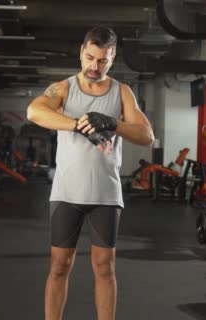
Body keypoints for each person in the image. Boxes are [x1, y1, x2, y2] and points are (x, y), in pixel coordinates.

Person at [26, 26, 154, 320]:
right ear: (81, 52)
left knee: (105, 268)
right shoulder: (63, 88)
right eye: (89, 57)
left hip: (106, 195)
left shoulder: (122, 92)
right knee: (59, 266)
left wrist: (111, 122)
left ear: (112, 58)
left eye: (103, 61)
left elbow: (147, 135)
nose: (94, 66)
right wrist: (76, 125)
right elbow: (34, 111)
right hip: (66, 192)